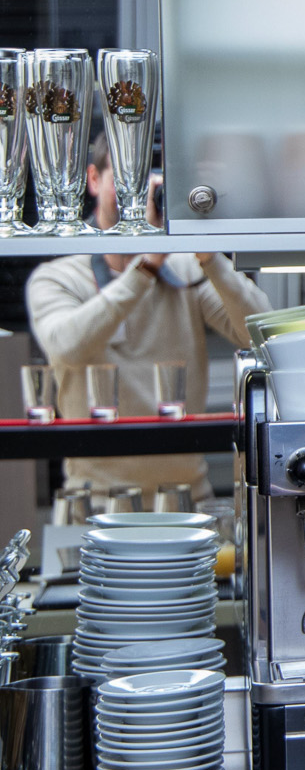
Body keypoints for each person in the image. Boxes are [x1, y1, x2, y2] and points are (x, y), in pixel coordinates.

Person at [27, 141, 267, 502]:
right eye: (126, 178)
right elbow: (65, 348)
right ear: (93, 179)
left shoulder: (186, 268)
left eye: (150, 183)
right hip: (95, 500)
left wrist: (210, 254)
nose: (137, 195)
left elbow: (260, 336)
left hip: (184, 499)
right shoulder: (58, 277)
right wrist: (145, 266)